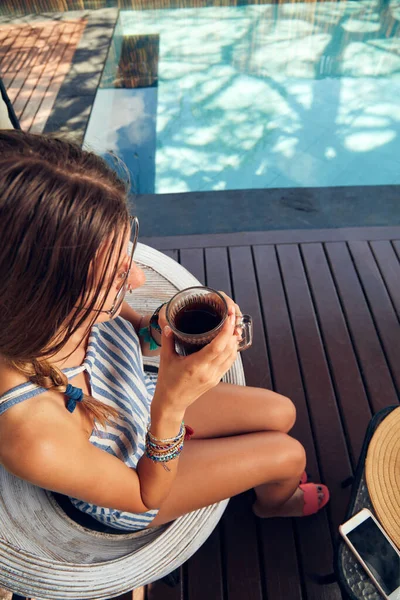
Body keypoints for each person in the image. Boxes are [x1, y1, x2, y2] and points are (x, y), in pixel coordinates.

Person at [0, 130, 329, 533]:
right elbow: (144, 495)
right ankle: (274, 505)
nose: (136, 279)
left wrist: (164, 329)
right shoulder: (32, 434)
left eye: (128, 258)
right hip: (138, 476)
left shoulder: (67, 303)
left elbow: (137, 337)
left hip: (139, 399)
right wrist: (171, 407)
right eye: (117, 275)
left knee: (283, 411)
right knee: (289, 455)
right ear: (41, 294)